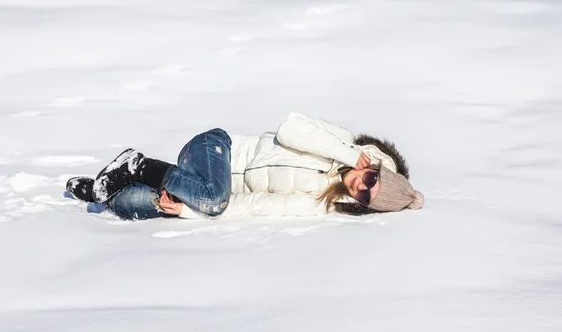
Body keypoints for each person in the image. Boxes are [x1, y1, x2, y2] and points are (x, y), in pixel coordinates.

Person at [66, 112, 424, 220]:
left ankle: (102, 190)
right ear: (375, 164)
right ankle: (137, 165)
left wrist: (187, 212)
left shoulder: (321, 203)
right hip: (216, 148)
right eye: (371, 178)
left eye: (365, 196)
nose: (359, 185)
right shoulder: (341, 143)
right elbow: (291, 128)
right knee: (213, 201)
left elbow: (255, 205)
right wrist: (347, 155)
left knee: (143, 206)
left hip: (202, 186)